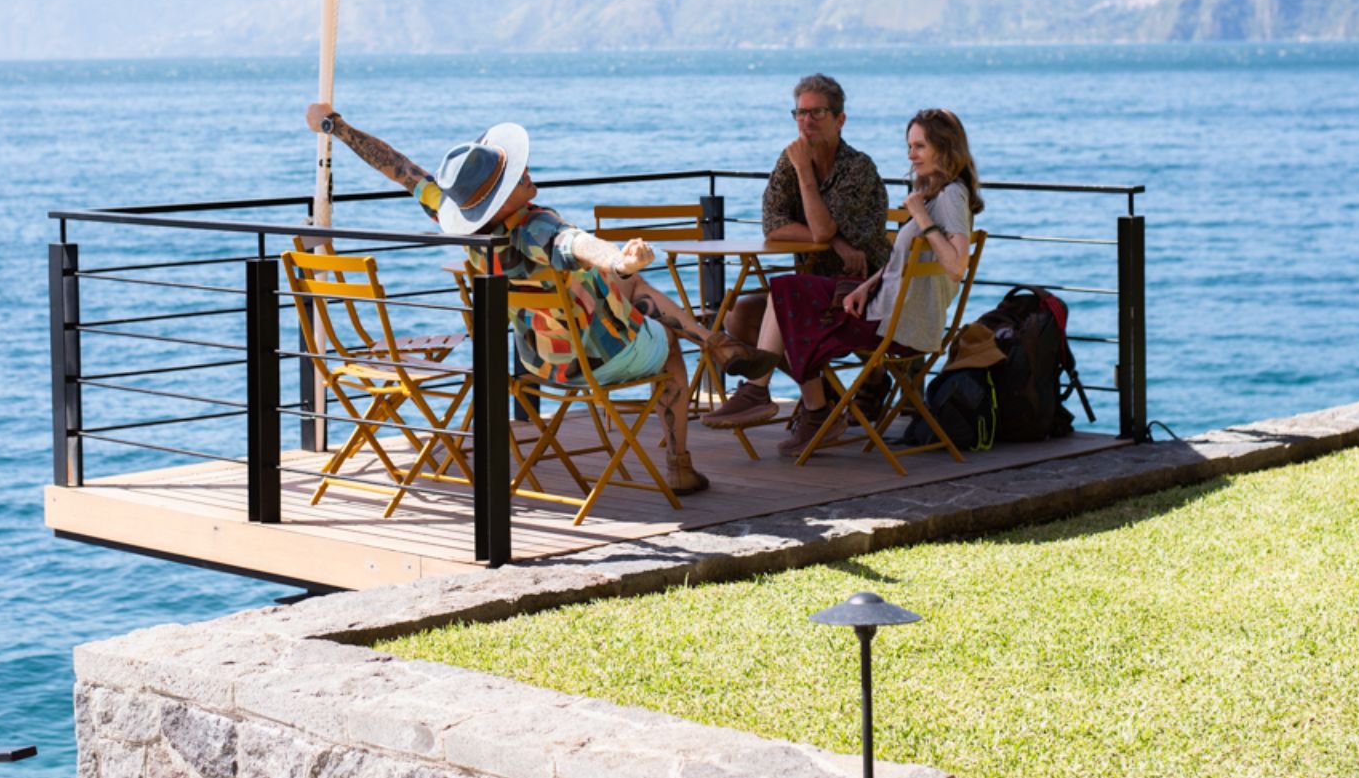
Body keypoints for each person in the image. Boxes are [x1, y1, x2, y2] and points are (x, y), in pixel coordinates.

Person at [303, 102, 712, 493]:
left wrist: (336, 127)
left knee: (630, 292)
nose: (527, 173)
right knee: (669, 346)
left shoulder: (465, 221)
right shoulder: (535, 228)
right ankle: (680, 463)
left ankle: (718, 344)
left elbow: (401, 169)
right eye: (516, 176)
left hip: (537, 364)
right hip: (597, 359)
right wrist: (620, 262)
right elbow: (576, 243)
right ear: (498, 198)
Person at [732, 108, 984, 458]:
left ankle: (785, 401)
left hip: (895, 328)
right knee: (788, 294)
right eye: (909, 146)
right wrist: (867, 286)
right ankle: (787, 402)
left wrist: (921, 217)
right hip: (885, 311)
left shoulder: (950, 196)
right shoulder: (936, 194)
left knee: (788, 295)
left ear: (945, 149)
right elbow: (906, 263)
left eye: (920, 146)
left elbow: (956, 266)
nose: (911, 154)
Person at [702, 73, 890, 429]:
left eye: (817, 113)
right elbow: (773, 225)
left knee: (783, 297)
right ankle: (824, 397)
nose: (807, 121)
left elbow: (820, 227)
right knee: (739, 317)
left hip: (862, 294)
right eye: (800, 113)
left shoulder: (857, 168)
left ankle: (810, 408)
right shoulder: (790, 159)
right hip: (813, 289)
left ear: (839, 120)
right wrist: (835, 241)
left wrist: (805, 172)